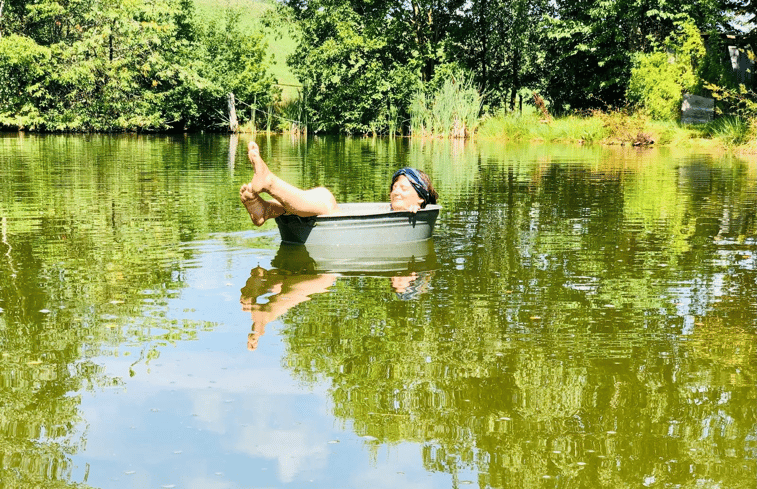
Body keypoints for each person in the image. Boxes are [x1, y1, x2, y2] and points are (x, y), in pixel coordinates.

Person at [240, 141, 438, 226]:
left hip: (339, 236)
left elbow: (419, 212)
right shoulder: (387, 208)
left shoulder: (416, 213)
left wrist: (416, 211)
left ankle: (270, 182)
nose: (396, 191)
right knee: (314, 203)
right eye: (394, 187)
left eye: (404, 188)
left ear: (420, 199)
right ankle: (267, 210)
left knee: (325, 199)